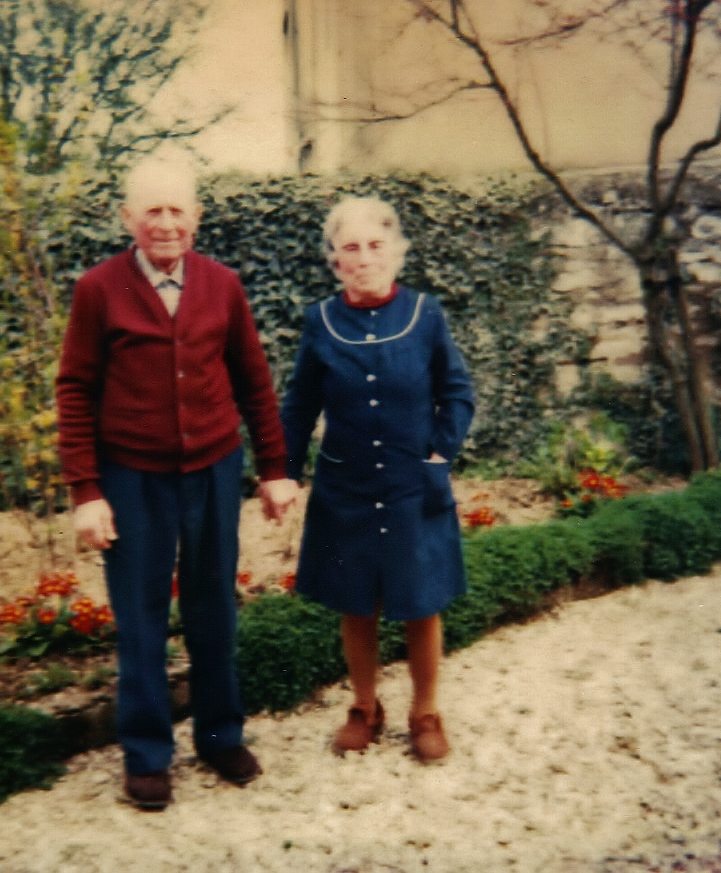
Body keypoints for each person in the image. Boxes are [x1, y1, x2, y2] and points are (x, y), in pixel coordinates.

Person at [56, 154, 299, 809]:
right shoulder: (99, 290)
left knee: (213, 606)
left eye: (177, 210)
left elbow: (253, 380)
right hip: (131, 477)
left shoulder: (222, 285)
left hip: (213, 471)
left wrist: (274, 470)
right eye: (151, 210)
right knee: (138, 618)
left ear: (196, 217)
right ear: (128, 218)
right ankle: (146, 753)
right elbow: (75, 390)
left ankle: (220, 737)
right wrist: (86, 491)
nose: (165, 224)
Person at [281, 196, 474, 762]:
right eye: (350, 248)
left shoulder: (425, 313)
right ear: (335, 261)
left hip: (413, 485)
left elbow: (457, 392)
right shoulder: (320, 321)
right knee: (355, 602)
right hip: (348, 488)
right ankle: (365, 707)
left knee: (420, 603)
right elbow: (298, 406)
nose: (364, 258)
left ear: (396, 252)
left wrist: (439, 455)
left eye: (374, 245)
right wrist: (285, 473)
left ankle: (425, 712)